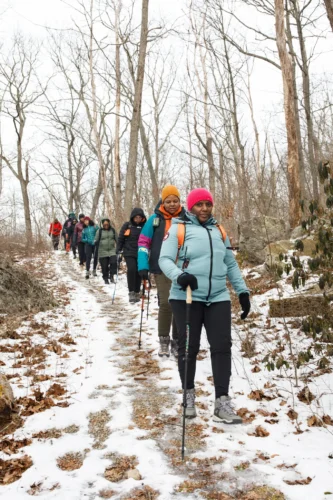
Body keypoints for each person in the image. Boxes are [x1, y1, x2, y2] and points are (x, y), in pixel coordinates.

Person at [159, 188, 251, 425]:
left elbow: (230, 263)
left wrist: (242, 291)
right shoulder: (178, 229)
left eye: (207, 205)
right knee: (189, 347)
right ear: (191, 207)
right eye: (199, 205)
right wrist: (179, 276)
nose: (204, 209)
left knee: (222, 346)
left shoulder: (219, 230)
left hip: (218, 296)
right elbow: (164, 259)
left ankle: (222, 402)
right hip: (186, 296)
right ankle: (188, 396)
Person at [138, 185, 185, 358]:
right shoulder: (154, 220)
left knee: (179, 304)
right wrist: (142, 265)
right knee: (167, 303)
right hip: (160, 267)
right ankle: (164, 340)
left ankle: (177, 340)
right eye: (168, 201)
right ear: (162, 202)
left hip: (182, 268)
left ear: (180, 201)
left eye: (175, 201)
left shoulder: (187, 218)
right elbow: (143, 242)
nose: (172, 204)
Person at [117, 208, 146, 303]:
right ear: (132, 217)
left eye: (139, 217)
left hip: (141, 252)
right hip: (128, 251)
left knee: (139, 271)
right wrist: (118, 249)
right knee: (132, 269)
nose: (137, 219)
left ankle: (137, 291)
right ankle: (131, 291)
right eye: (136, 217)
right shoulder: (127, 225)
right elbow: (121, 238)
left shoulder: (144, 226)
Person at [95, 218, 118, 284]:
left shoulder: (113, 230)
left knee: (113, 263)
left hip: (112, 250)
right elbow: (95, 239)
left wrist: (119, 247)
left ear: (109, 224)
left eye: (107, 224)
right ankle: (105, 278)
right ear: (102, 225)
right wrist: (95, 242)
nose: (106, 225)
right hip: (102, 250)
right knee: (104, 266)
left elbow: (117, 239)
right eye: (104, 224)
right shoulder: (99, 231)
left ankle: (111, 276)